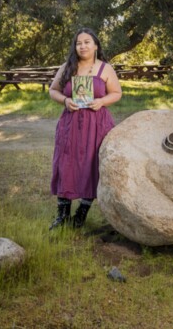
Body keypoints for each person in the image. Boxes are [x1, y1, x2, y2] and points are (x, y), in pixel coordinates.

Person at [49, 27, 122, 230]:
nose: (82, 46)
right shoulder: (67, 67)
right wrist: (65, 100)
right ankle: (62, 215)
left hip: (97, 124)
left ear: (95, 45)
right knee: (65, 164)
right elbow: (52, 90)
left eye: (87, 42)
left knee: (92, 165)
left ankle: (81, 214)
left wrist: (102, 101)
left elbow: (117, 93)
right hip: (70, 124)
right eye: (79, 42)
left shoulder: (105, 69)